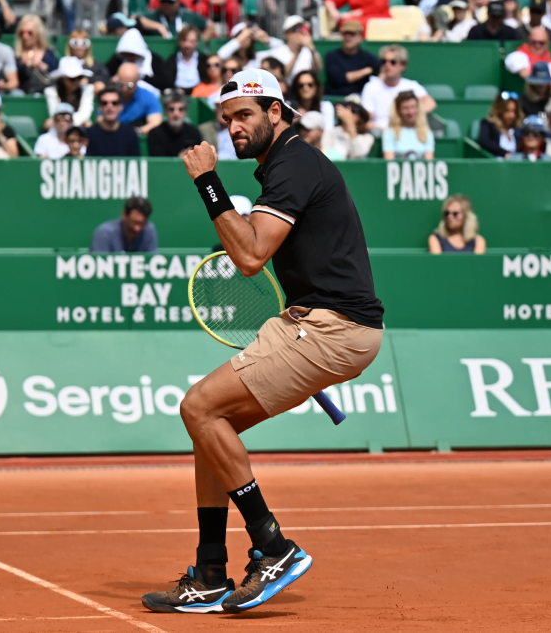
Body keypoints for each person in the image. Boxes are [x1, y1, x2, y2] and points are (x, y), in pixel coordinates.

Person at [141, 67, 383, 615]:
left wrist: (208, 182)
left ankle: (273, 547)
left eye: (245, 115)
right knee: (211, 429)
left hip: (335, 328)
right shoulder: (283, 169)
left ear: (277, 112)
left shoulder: (295, 163)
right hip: (312, 321)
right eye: (227, 119)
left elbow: (249, 257)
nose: (234, 128)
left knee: (198, 408)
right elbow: (251, 245)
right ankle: (208, 572)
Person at [361, 44, 436, 131]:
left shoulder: (411, 86)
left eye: (393, 62)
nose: (387, 65)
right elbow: (367, 117)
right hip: (381, 133)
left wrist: (410, 116)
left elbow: (430, 103)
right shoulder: (371, 87)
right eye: (383, 61)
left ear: (403, 65)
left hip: (406, 132)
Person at [254, 16, 323, 86]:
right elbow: (283, 74)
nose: (298, 32)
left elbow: (319, 68)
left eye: (301, 28)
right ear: (287, 33)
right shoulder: (278, 51)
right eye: (294, 29)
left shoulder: (307, 51)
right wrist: (297, 53)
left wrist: (311, 47)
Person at [504, 26, 551, 94]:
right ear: (529, 42)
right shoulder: (522, 55)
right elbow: (511, 60)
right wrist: (522, 69)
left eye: (541, 43)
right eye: (534, 42)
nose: (537, 45)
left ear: (547, 44)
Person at [136, 0, 208, 39]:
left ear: (177, 2)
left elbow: (210, 26)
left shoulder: (187, 15)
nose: (166, 5)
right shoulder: (153, 15)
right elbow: (134, 18)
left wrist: (200, 42)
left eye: (170, 1)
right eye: (163, 1)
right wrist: (158, 26)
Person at [151, 24, 208, 93]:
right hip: (177, 95)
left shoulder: (205, 61)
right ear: (179, 41)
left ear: (197, 43)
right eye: (184, 40)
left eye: (192, 41)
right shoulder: (171, 62)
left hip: (200, 94)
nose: (188, 45)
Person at [90, 196, 158, 253]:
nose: (137, 228)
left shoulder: (149, 230)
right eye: (134, 222)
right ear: (124, 215)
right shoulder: (104, 233)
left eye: (142, 223)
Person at [86, 87, 141, 157]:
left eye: (114, 103)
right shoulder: (89, 134)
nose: (109, 106)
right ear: (99, 107)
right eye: (104, 103)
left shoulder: (130, 134)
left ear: (121, 106)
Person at [147, 89, 202, 157]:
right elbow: (158, 163)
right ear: (165, 111)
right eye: (171, 109)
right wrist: (179, 159)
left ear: (186, 112)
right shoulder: (155, 134)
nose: (176, 114)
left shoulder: (194, 133)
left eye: (181, 109)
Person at [382, 90, 435, 160]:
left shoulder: (427, 133)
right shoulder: (389, 133)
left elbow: (429, 161)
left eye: (413, 107)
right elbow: (389, 160)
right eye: (405, 108)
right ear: (398, 110)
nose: (410, 112)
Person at [44, 56, 93, 128]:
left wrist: (65, 120)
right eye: (72, 79)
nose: (76, 81)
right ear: (62, 79)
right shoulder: (51, 92)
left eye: (79, 77)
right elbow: (55, 115)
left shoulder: (87, 89)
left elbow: (85, 114)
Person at [14, 15, 57, 96]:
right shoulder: (16, 55)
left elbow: (55, 75)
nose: (25, 36)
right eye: (22, 32)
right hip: (22, 93)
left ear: (38, 33)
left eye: (30, 33)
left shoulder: (49, 54)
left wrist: (44, 68)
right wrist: (22, 65)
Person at [115, 63, 162, 134]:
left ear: (137, 80)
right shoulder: (109, 97)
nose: (124, 89)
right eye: (121, 85)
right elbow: (101, 119)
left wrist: (136, 131)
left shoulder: (148, 96)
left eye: (130, 85)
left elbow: (156, 123)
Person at [477, 91, 523, 158]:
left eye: (514, 111)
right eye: (507, 111)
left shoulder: (518, 129)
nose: (511, 115)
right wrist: (505, 153)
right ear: (499, 110)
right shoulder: (488, 124)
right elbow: (484, 141)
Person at [199, 89, 237, 160]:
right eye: (220, 108)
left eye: (227, 108)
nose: (223, 112)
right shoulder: (204, 129)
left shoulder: (241, 129)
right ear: (215, 108)